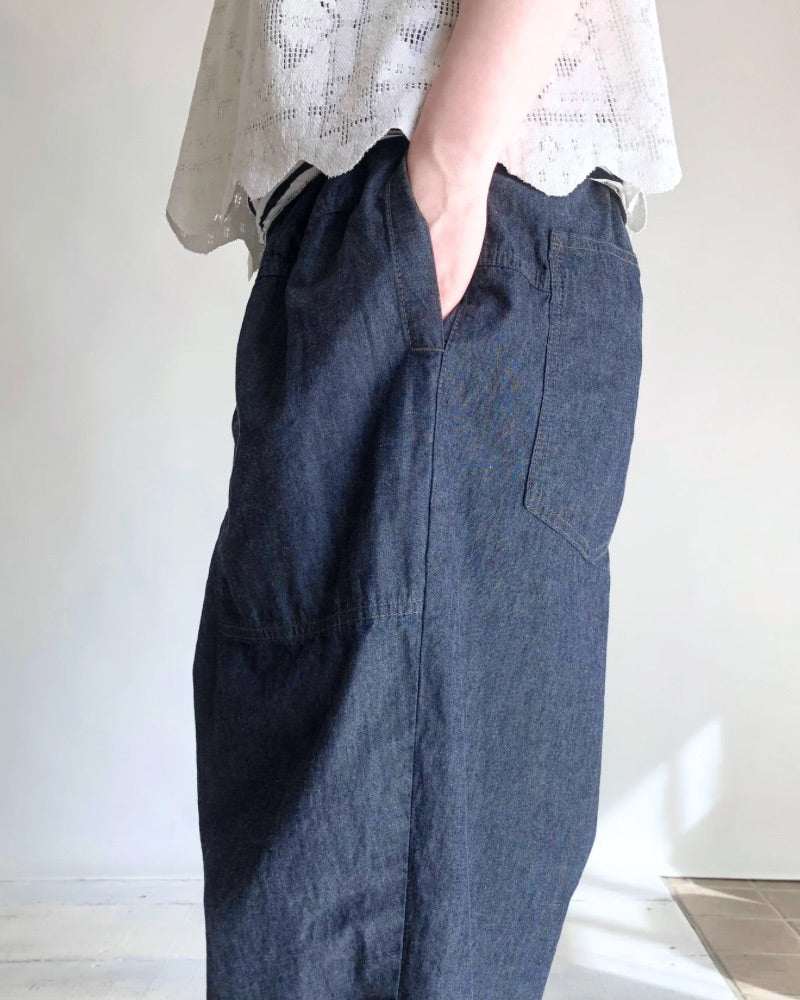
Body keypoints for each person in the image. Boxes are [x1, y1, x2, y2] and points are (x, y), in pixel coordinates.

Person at [167, 1, 681, 998]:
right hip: (400, 227)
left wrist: (442, 179)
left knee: (366, 882)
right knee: (357, 839)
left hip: (444, 221)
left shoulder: (432, 212)